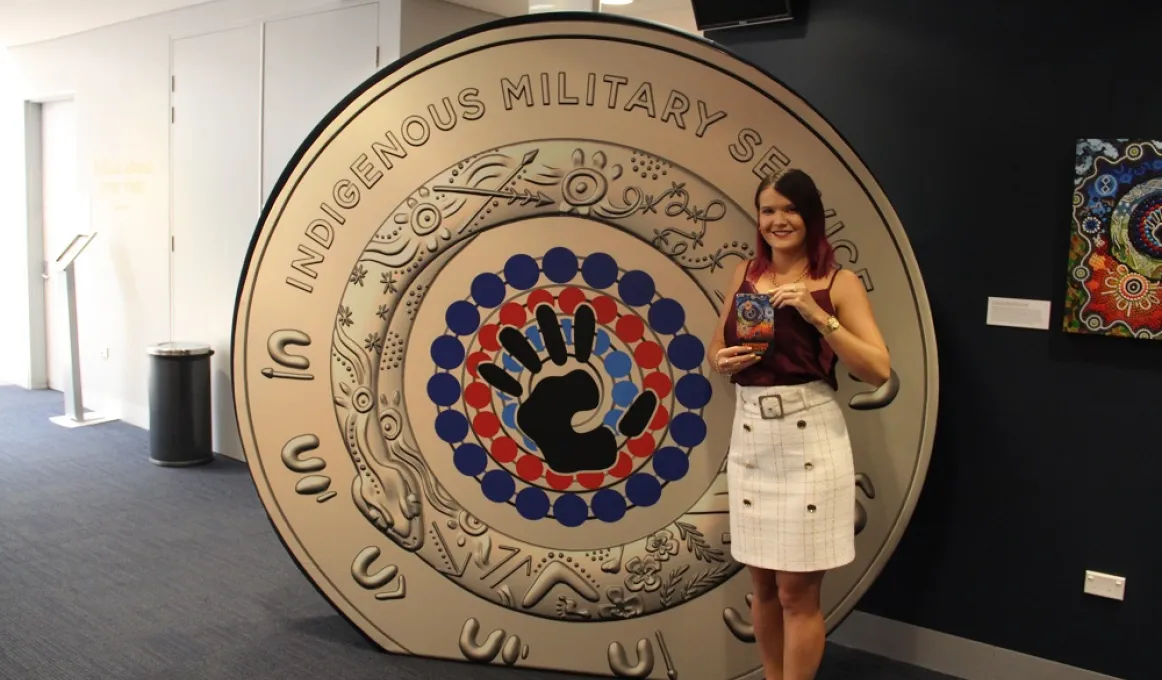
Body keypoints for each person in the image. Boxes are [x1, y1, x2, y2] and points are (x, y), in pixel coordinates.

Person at [706, 169, 890, 680]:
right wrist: (723, 361)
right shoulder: (744, 274)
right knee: (762, 587)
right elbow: (715, 348)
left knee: (796, 593)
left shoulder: (837, 282)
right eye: (768, 210)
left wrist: (816, 314)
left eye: (790, 210)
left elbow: (876, 367)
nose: (778, 220)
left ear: (811, 217)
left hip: (810, 438)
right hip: (751, 440)